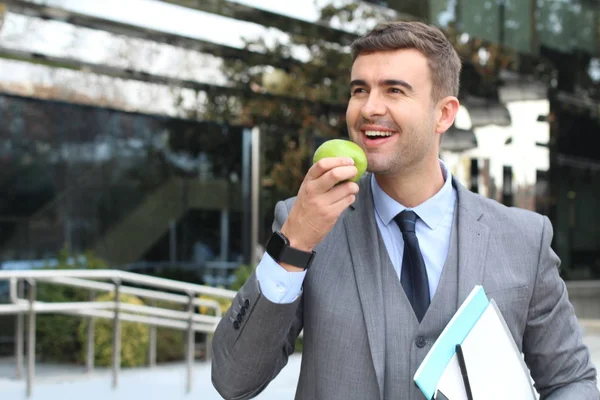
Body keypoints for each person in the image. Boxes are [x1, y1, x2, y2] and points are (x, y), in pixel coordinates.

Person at [211, 21, 599, 399]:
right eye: (359, 90)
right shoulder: (302, 221)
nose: (369, 108)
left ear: (444, 114)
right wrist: (293, 244)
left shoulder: (524, 239)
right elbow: (233, 380)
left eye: (394, 90)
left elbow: (571, 381)